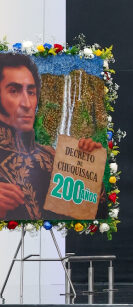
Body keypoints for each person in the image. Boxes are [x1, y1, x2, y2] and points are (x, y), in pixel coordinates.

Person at [0, 52, 102, 220]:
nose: (26, 104)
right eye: (14, 91)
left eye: (31, 92)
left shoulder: (52, 157)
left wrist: (87, 167)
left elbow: (88, 215)